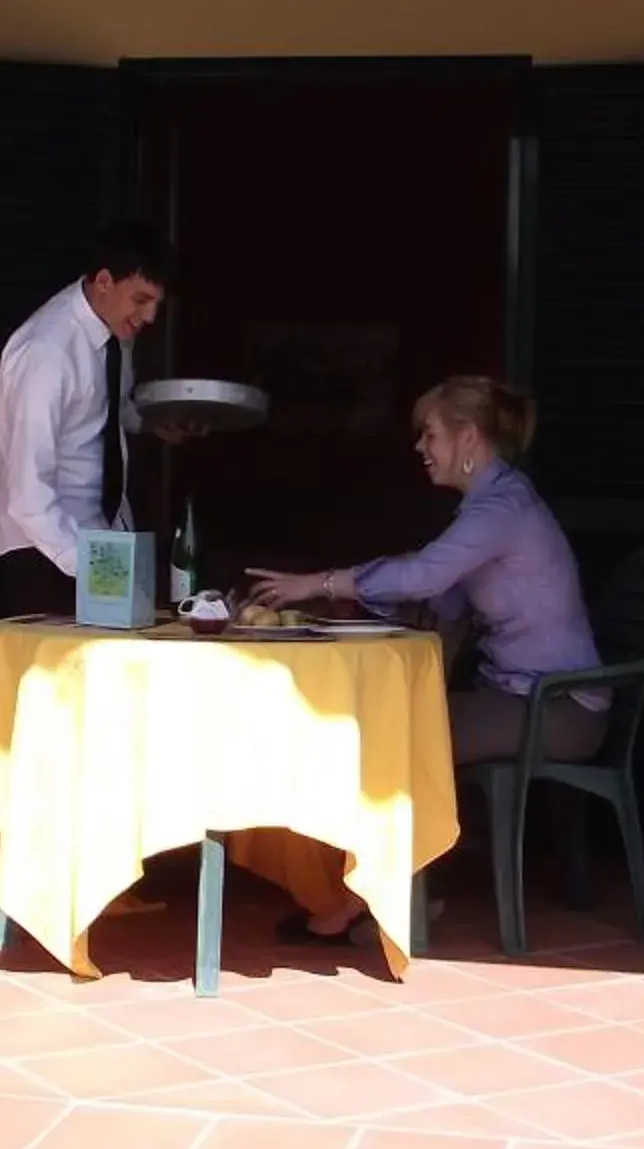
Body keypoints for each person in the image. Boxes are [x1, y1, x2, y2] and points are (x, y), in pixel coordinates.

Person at [245, 374, 607, 942]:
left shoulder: (501, 509)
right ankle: (383, 895)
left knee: (395, 734)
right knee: (386, 725)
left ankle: (386, 905)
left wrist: (322, 582)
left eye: (430, 434)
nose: (421, 447)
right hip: (520, 696)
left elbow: (425, 575)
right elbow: (441, 591)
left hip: (556, 709)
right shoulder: (491, 505)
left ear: (467, 437)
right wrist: (346, 596)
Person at [0, 221, 188, 621]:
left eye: (156, 305)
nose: (149, 317)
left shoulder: (114, 330)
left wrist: (152, 422)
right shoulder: (48, 352)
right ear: (103, 282)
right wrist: (94, 571)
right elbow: (27, 493)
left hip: (101, 537)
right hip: (47, 549)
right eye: (141, 300)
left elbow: (104, 413)